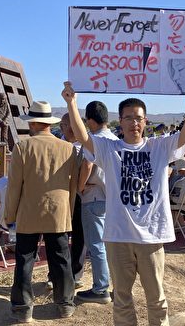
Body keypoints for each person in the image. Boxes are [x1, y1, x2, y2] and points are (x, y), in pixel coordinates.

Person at [62, 80, 185, 326]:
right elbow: (83, 137)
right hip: (118, 237)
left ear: (145, 121)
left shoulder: (159, 147)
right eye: (128, 118)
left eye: (138, 118)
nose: (133, 123)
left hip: (151, 237)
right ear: (120, 121)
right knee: (122, 298)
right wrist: (71, 103)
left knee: (156, 298)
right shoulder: (110, 149)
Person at [5, 101, 79, 322]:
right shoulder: (68, 148)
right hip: (59, 212)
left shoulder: (22, 147)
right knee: (61, 260)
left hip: (29, 212)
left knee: (25, 260)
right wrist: (69, 212)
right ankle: (65, 304)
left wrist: (10, 215)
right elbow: (73, 186)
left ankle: (22, 308)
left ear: (33, 123)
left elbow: (14, 186)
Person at [75, 100, 117, 305]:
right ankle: (117, 285)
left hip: (94, 196)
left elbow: (87, 164)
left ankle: (100, 288)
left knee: (97, 245)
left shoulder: (94, 140)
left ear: (90, 120)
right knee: (111, 246)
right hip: (112, 199)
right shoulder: (116, 139)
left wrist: (80, 187)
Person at [58, 113, 86, 290]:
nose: (74, 130)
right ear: (62, 127)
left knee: (80, 236)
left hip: (80, 197)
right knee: (58, 237)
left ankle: (76, 274)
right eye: (71, 126)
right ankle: (56, 274)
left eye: (77, 126)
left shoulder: (86, 145)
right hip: (59, 196)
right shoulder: (55, 145)